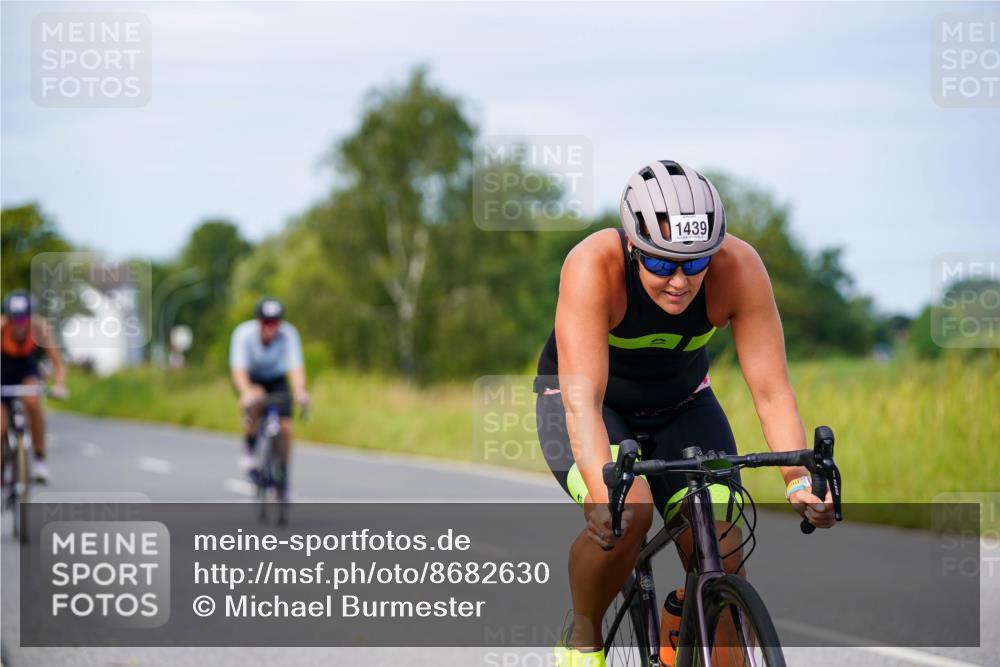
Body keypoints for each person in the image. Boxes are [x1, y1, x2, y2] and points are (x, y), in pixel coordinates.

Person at [534, 161, 836, 667]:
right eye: (661, 263)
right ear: (634, 247)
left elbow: (771, 392)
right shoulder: (593, 264)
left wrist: (798, 480)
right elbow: (582, 401)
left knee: (723, 545)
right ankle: (582, 639)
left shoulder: (738, 267)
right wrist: (602, 492)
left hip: (682, 405)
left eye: (695, 265)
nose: (679, 281)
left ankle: (691, 615)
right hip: (592, 404)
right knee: (628, 514)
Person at [229, 298, 309, 493]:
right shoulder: (243, 334)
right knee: (254, 400)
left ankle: (283, 477)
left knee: (286, 427)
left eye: (275, 322)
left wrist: (300, 391)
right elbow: (239, 370)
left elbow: (296, 367)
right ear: (258, 321)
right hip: (251, 378)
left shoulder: (288, 334)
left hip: (276, 379)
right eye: (266, 322)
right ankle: (249, 449)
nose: (271, 327)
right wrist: (247, 391)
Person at [1, 290, 68, 484]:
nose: (18, 324)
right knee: (1, 427)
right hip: (3, 372)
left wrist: (59, 385)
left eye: (23, 319)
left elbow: (57, 363)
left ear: (30, 317)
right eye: (14, 319)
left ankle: (39, 458)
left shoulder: (40, 328)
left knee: (33, 402)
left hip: (27, 371)